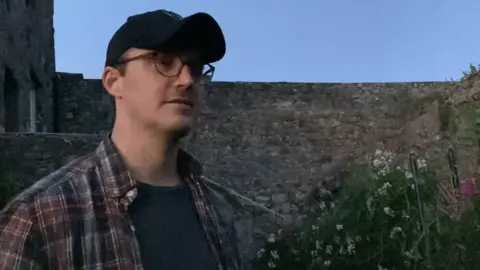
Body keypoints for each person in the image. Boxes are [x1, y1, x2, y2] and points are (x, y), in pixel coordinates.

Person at [0, 9, 243, 270]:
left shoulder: (221, 211)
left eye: (194, 67)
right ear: (114, 81)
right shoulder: (38, 217)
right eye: (163, 61)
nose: (186, 80)